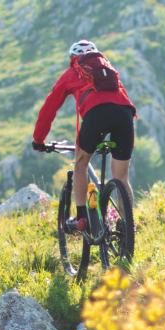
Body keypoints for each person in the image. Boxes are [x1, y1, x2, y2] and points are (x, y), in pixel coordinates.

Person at [31, 40, 138, 232]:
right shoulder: (107, 68)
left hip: (96, 115)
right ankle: (128, 227)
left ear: (73, 59)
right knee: (121, 177)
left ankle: (82, 219)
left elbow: (49, 108)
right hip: (125, 114)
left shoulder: (72, 73)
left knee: (80, 164)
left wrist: (39, 139)